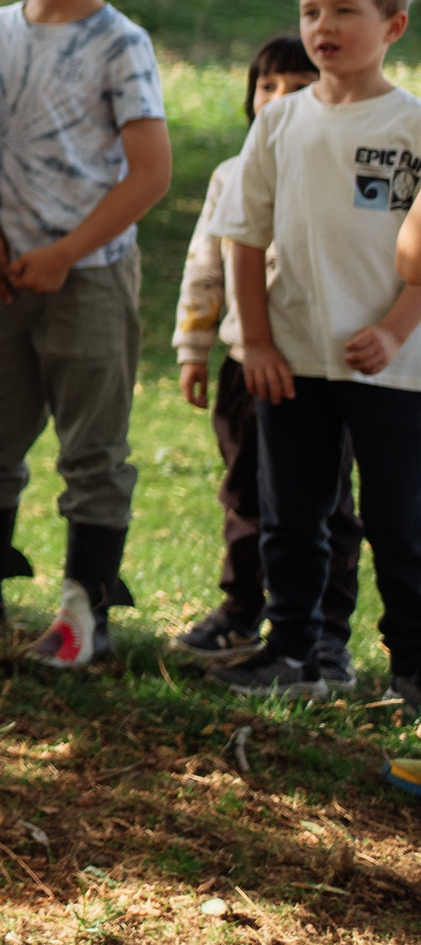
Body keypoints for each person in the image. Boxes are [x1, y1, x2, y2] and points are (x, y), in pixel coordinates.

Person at [0, 0, 171, 666]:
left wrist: (66, 253)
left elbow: (151, 172)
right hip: (1, 272)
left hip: (88, 275)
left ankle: (86, 611)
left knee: (92, 449)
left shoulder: (121, 42)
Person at [207, 0, 421, 708]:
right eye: (310, 11)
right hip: (291, 360)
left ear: (393, 25)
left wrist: (393, 331)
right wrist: (256, 342)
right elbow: (243, 237)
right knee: (291, 517)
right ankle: (295, 650)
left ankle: (411, 668)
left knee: (400, 522)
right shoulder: (279, 122)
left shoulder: (411, 124)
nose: (322, 25)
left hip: (393, 366)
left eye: (344, 11)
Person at [168, 34, 363, 681]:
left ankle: (326, 632)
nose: (280, 97)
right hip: (242, 364)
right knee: (247, 488)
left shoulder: (340, 166)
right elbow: (205, 266)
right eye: (268, 85)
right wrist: (194, 348)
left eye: (299, 85)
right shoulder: (231, 174)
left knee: (326, 502)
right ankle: (242, 607)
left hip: (318, 364)